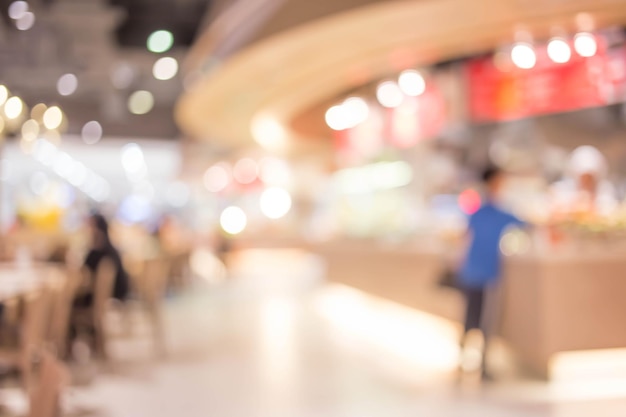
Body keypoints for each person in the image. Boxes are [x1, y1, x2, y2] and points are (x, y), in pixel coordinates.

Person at [458, 166, 525, 380]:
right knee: (483, 319)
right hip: (485, 273)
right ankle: (480, 364)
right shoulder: (495, 211)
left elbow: (465, 237)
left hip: (472, 271)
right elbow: (526, 224)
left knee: (471, 316)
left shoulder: (478, 211)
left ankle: (467, 359)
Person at [74, 213, 130, 307]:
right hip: (116, 294)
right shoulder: (109, 249)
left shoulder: (99, 251)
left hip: (111, 295)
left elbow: (84, 273)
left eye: (90, 226)